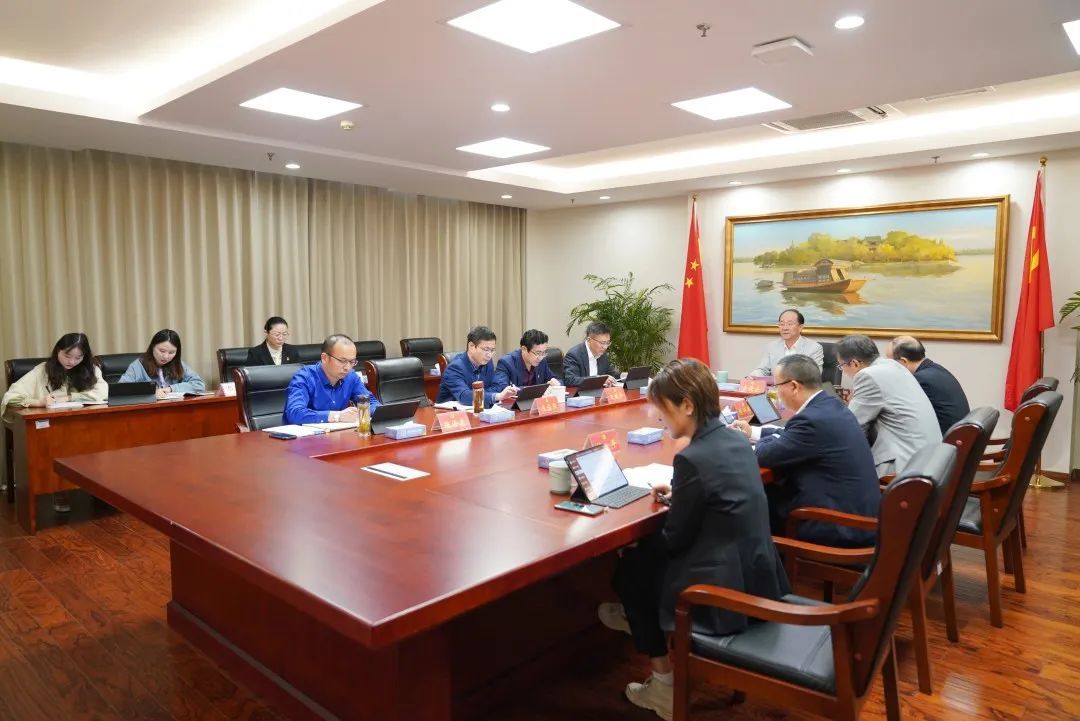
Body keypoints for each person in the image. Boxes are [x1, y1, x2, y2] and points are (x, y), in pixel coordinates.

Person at [597, 358, 789, 720]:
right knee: (640, 562)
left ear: (686, 405)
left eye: (663, 409)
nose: (660, 418)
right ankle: (637, 622)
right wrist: (682, 496)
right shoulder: (734, 440)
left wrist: (634, 543)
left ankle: (663, 686)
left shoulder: (693, 458)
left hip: (718, 591)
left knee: (632, 572)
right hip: (756, 574)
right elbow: (718, 500)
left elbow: (674, 540)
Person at [731, 354, 880, 547]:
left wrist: (752, 442)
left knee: (748, 501)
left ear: (794, 386)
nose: (776, 392)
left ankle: (754, 562)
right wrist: (753, 432)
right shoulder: (830, 405)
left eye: (777, 386)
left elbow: (764, 455)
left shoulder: (812, 421)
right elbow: (790, 434)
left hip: (839, 527)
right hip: (858, 515)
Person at [2, 333, 108, 513]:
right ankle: (59, 490)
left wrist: (70, 397)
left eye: (78, 357)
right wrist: (38, 402)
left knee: (102, 438)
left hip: (83, 424)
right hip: (54, 426)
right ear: (57, 351)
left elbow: (102, 393)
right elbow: (10, 397)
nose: (72, 362)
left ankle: (98, 487)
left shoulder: (91, 369)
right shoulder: (42, 370)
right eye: (67, 355)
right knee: (60, 440)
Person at [836, 334, 941, 477]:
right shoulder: (893, 365)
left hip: (904, 465)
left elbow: (852, 427)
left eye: (841, 366)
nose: (842, 371)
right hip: (928, 458)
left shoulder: (868, 375)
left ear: (854, 363)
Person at [283, 334, 379, 424]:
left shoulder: (351, 377)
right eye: (342, 361)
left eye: (352, 362)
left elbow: (369, 401)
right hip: (304, 435)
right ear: (324, 358)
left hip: (336, 434)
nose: (347, 367)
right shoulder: (304, 378)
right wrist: (337, 416)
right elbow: (295, 413)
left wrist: (378, 412)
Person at [890, 335, 971, 435]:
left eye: (890, 362)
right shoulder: (935, 369)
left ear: (903, 362)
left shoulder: (920, 380)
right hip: (960, 435)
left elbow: (905, 418)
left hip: (946, 440)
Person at [436, 326, 518, 408]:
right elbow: (465, 396)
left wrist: (483, 395)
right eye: (486, 349)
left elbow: (496, 386)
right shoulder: (454, 368)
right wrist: (497, 396)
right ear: (471, 346)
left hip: (479, 409)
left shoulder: (487, 362)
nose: (489, 355)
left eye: (492, 350)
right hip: (449, 413)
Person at [119, 329, 205, 398]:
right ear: (152, 347)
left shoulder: (179, 365)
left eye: (171, 352)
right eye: (162, 351)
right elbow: (121, 389)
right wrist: (150, 392)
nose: (166, 356)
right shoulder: (138, 366)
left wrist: (171, 389)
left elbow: (199, 385)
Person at [748, 309, 824, 377]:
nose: (785, 328)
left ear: (800, 327)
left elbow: (814, 375)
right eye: (782, 324)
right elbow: (763, 370)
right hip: (776, 388)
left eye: (790, 324)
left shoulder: (814, 348)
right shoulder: (772, 346)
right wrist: (752, 376)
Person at [494, 329, 561, 388]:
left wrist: (556, 383)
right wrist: (535, 390)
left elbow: (557, 379)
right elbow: (501, 388)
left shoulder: (542, 361)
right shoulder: (506, 363)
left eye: (543, 353)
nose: (540, 358)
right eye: (537, 353)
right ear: (524, 349)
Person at [563, 321, 619, 387]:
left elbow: (611, 373)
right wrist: (599, 380)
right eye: (602, 343)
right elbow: (570, 380)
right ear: (589, 340)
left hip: (599, 391)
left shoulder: (602, 354)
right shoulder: (574, 354)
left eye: (608, 343)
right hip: (581, 392)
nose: (605, 347)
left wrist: (623, 375)